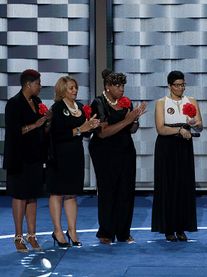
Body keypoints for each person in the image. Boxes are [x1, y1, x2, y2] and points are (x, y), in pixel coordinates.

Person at [89, 69, 147, 244]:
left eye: (122, 85)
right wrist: (127, 120)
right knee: (108, 191)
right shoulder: (98, 103)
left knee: (126, 191)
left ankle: (123, 232)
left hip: (125, 149)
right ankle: (106, 232)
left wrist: (135, 119)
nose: (121, 89)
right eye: (117, 85)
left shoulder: (125, 102)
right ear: (107, 87)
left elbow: (132, 130)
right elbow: (103, 133)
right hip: (104, 151)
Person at [46, 76, 100, 247]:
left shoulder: (80, 107)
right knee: (57, 192)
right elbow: (57, 134)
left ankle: (72, 231)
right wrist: (79, 129)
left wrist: (90, 127)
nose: (75, 91)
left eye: (75, 88)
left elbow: (83, 133)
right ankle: (57, 231)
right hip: (59, 156)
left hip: (75, 155)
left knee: (71, 193)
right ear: (62, 90)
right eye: (71, 88)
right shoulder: (57, 108)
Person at [151, 70, 203, 241]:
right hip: (167, 146)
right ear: (169, 86)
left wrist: (194, 124)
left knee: (183, 185)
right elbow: (160, 128)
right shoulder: (161, 103)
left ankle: (181, 227)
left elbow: (200, 127)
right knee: (168, 185)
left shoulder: (192, 101)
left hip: (184, 146)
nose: (181, 88)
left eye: (183, 85)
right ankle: (168, 228)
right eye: (177, 85)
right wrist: (179, 130)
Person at [3, 69, 49, 252]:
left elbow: (41, 130)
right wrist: (35, 125)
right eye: (38, 83)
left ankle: (32, 235)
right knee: (20, 196)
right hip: (18, 157)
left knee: (32, 196)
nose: (40, 86)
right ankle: (18, 237)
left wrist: (47, 123)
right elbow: (14, 131)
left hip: (35, 157)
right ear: (28, 84)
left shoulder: (37, 102)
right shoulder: (13, 104)